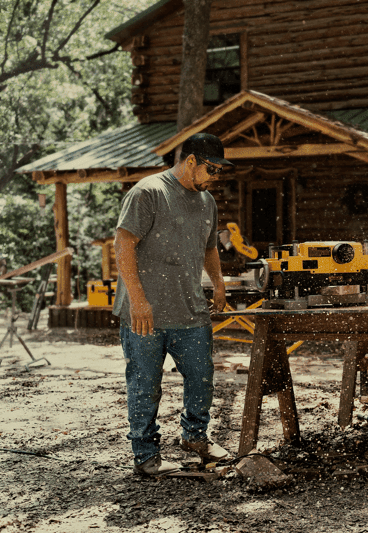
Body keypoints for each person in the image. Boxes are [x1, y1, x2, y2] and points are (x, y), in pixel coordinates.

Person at [112, 133, 234, 476]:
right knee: (145, 385)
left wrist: (219, 284)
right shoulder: (148, 192)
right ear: (191, 161)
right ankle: (146, 456)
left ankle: (195, 437)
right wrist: (137, 300)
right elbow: (123, 245)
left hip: (190, 309)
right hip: (144, 313)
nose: (215, 177)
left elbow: (210, 247)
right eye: (212, 169)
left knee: (202, 377)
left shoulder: (206, 200)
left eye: (220, 171)